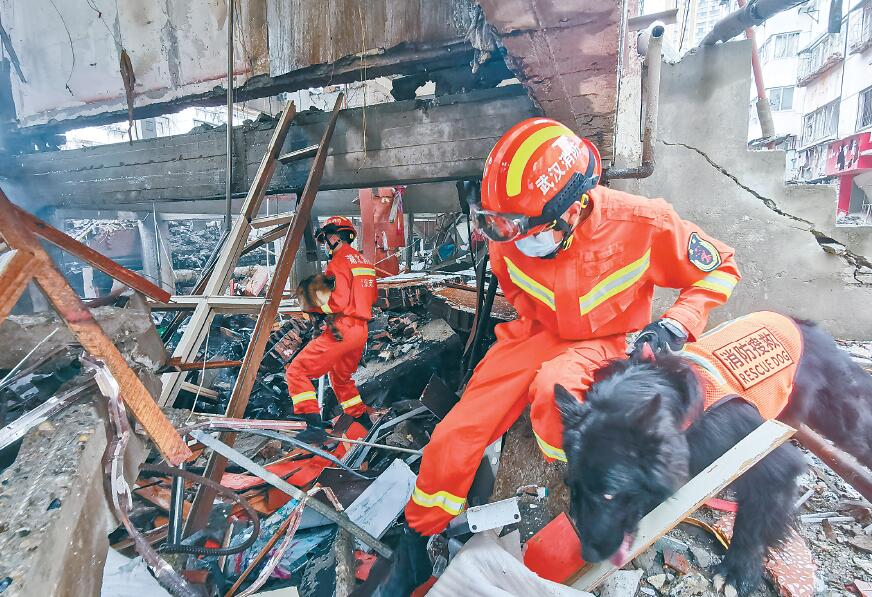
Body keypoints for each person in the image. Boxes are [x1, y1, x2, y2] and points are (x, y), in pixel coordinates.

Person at [402, 117, 741, 552]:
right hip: (535, 331)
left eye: (526, 229)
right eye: (503, 226)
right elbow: (515, 286)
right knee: (458, 431)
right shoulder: (511, 232)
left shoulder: (644, 223)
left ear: (574, 207)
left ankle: (579, 482)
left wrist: (675, 323)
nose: (513, 239)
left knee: (552, 391)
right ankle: (419, 533)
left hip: (608, 337)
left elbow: (722, 268)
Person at [285, 216, 377, 442]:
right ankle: (363, 421)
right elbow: (371, 297)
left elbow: (338, 302)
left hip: (343, 329)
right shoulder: (364, 263)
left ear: (334, 237)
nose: (325, 244)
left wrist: (316, 307)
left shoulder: (339, 262)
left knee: (297, 370)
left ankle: (313, 425)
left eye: (325, 239)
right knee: (341, 377)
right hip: (360, 331)